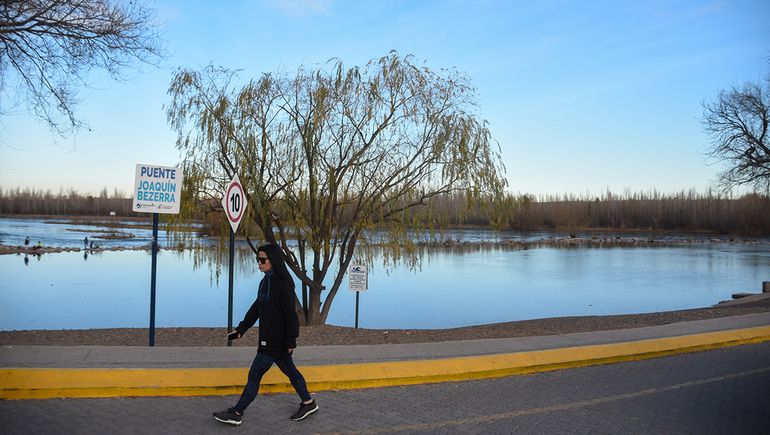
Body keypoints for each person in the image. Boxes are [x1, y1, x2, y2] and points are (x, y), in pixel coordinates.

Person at [213, 243, 318, 426]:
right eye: (257, 260)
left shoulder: (282, 284)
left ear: (273, 260)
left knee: (255, 375)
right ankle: (308, 403)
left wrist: (291, 339)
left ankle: (237, 412)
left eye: (262, 260)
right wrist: (241, 330)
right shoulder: (265, 282)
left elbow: (290, 315)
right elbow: (257, 308)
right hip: (271, 341)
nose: (259, 264)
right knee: (291, 372)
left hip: (274, 342)